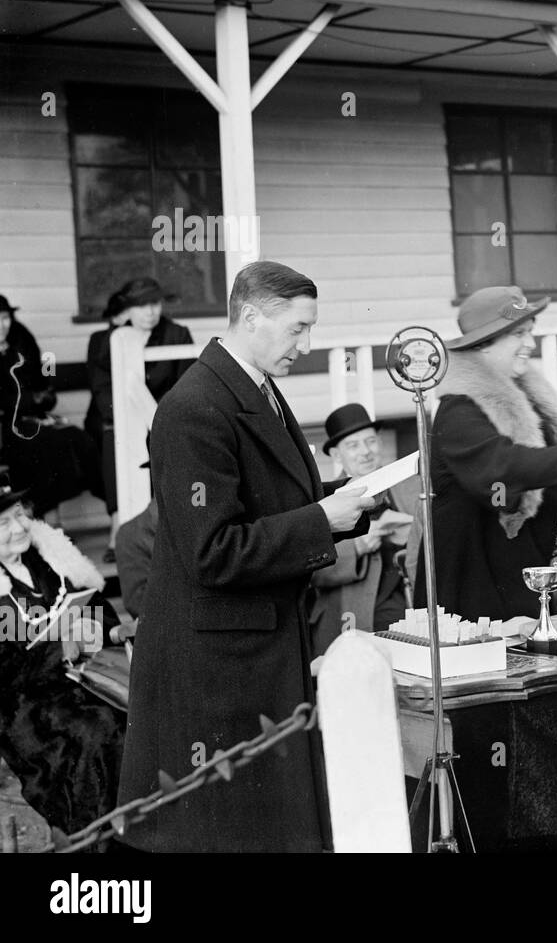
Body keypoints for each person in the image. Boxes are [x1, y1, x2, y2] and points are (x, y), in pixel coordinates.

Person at [117, 261, 375, 853]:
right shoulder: (193, 407)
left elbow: (270, 506)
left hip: (257, 648)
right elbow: (213, 551)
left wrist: (340, 509)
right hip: (220, 668)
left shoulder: (253, 387)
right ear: (251, 316)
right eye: (298, 329)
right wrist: (320, 521)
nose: (306, 346)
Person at [415, 285, 557, 621]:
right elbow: (507, 469)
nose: (531, 344)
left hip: (523, 601)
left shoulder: (531, 405)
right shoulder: (457, 410)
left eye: (530, 332)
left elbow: (547, 480)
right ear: (485, 344)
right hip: (468, 606)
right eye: (519, 334)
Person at [0, 476, 127, 840]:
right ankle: (92, 838)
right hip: (24, 704)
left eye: (20, 515)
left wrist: (93, 628)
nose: (20, 527)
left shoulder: (52, 559)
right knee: (94, 730)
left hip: (87, 675)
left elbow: (100, 609)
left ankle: (135, 826)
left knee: (135, 712)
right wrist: (59, 647)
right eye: (4, 523)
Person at [85, 277, 194, 561]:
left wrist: (159, 417)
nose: (150, 312)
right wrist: (126, 418)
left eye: (155, 303)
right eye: (141, 305)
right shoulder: (109, 339)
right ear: (127, 310)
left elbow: (187, 384)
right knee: (115, 438)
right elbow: (102, 388)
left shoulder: (177, 334)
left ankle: (168, 531)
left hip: (165, 416)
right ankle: (119, 527)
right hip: (118, 418)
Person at [307, 402, 422, 657]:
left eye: (370, 441)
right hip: (345, 620)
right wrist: (357, 546)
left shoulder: (411, 488)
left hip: (406, 614)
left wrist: (411, 536)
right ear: (337, 456)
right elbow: (310, 570)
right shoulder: (322, 498)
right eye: (353, 445)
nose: (365, 452)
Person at [0, 294, 103, 519]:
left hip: (33, 418)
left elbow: (45, 372)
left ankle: (56, 526)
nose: (2, 324)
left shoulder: (21, 336)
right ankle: (46, 523)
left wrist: (46, 394)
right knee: (45, 446)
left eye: (5, 317)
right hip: (4, 426)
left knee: (79, 439)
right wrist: (31, 400)